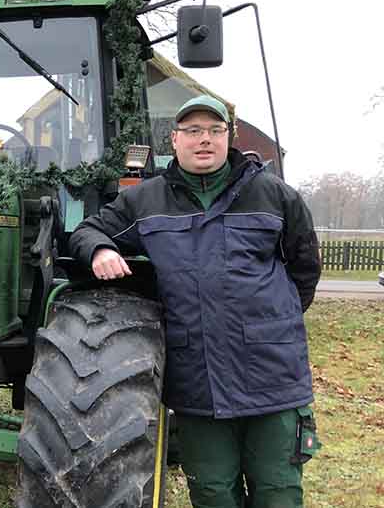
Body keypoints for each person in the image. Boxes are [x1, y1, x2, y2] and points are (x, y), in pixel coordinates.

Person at [69, 95, 322, 508]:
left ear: (229, 137)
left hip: (273, 377)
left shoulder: (274, 195)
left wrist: (274, 323)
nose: (204, 139)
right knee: (211, 492)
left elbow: (304, 269)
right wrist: (100, 249)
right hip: (197, 383)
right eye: (193, 131)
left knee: (277, 492)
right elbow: (86, 231)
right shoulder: (146, 200)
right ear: (174, 140)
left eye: (214, 130)